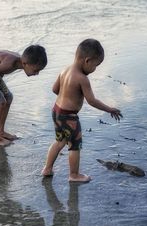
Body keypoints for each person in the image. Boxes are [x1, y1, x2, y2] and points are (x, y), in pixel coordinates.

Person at [42, 39, 122, 182]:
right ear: (87, 60)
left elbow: (55, 89)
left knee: (59, 141)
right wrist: (109, 109)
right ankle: (74, 175)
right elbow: (92, 100)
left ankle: (47, 168)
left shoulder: (64, 70)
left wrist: (66, 94)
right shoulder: (82, 78)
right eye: (95, 65)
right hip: (69, 117)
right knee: (74, 146)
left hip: (56, 111)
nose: (95, 69)